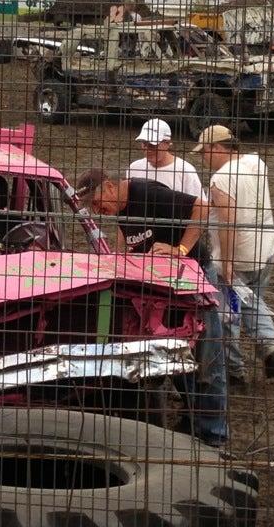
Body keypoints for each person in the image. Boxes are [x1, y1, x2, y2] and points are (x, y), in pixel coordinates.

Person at [75, 169, 229, 447]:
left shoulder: (147, 193)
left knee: (208, 357)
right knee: (180, 357)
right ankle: (193, 421)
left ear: (109, 187)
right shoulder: (121, 209)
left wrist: (180, 249)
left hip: (195, 279)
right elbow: (125, 243)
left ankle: (214, 435)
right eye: (93, 209)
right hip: (167, 286)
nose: (99, 212)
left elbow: (203, 207)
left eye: (98, 204)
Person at [193, 124, 274, 383]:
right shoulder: (257, 163)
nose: (204, 157)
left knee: (231, 313)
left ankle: (240, 364)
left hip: (238, 259)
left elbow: (228, 222)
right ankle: (263, 349)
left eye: (205, 152)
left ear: (219, 148)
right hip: (264, 251)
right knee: (250, 302)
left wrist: (227, 262)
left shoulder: (222, 179)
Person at [126, 118, 203, 198]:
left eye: (153, 145)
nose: (148, 150)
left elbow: (201, 206)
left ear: (167, 143)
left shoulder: (185, 171)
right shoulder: (134, 168)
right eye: (144, 144)